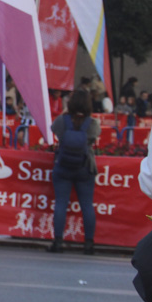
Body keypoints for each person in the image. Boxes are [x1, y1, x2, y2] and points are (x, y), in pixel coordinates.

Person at [48, 89, 100, 254]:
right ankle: (89, 244)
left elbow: (53, 129)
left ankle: (57, 242)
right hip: (85, 166)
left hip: (63, 165)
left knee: (61, 203)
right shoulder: (92, 123)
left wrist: (65, 113)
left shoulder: (62, 121)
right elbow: (94, 138)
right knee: (87, 205)